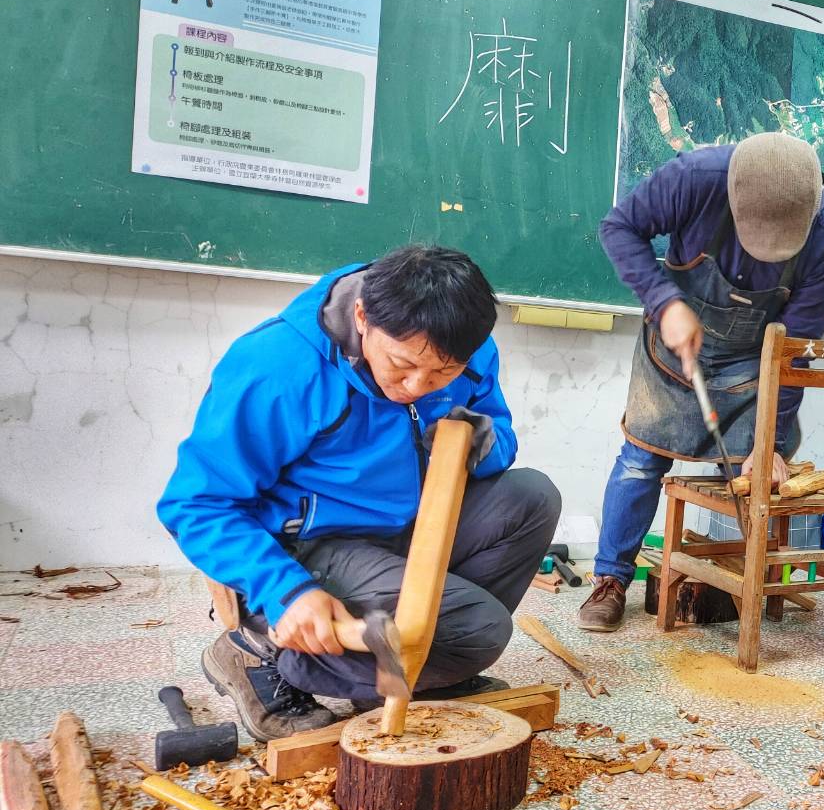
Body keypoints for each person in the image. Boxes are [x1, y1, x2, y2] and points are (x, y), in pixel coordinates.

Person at [158, 245, 561, 741]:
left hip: (405, 523)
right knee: (480, 630)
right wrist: (285, 589)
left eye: (442, 374)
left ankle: (410, 671)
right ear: (363, 316)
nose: (417, 386)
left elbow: (499, 431)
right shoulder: (278, 367)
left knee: (532, 498)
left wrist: (477, 443)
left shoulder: (465, 348)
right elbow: (196, 505)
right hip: (313, 545)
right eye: (401, 364)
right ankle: (261, 651)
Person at [578, 133, 824, 631]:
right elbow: (619, 227)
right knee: (641, 461)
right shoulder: (695, 179)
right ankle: (611, 579)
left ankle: (749, 581)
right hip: (674, 344)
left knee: (755, 473)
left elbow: (792, 350)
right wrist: (665, 302)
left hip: (753, 364)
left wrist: (770, 441)